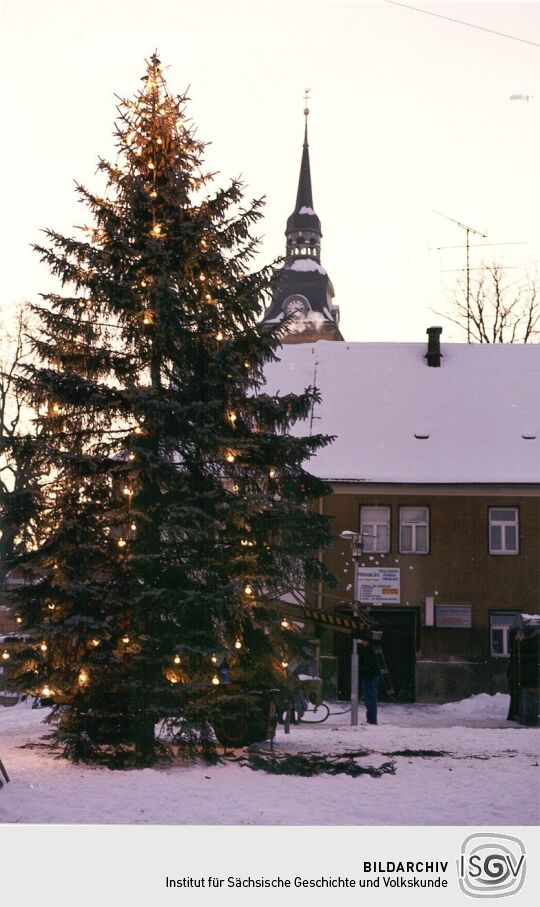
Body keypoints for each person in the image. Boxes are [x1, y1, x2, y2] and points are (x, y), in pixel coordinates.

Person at [358, 635, 381, 725]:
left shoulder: (369, 650)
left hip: (370, 676)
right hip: (369, 676)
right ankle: (371, 719)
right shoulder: (369, 650)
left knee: (370, 698)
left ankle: (372, 720)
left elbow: (369, 664)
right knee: (369, 699)